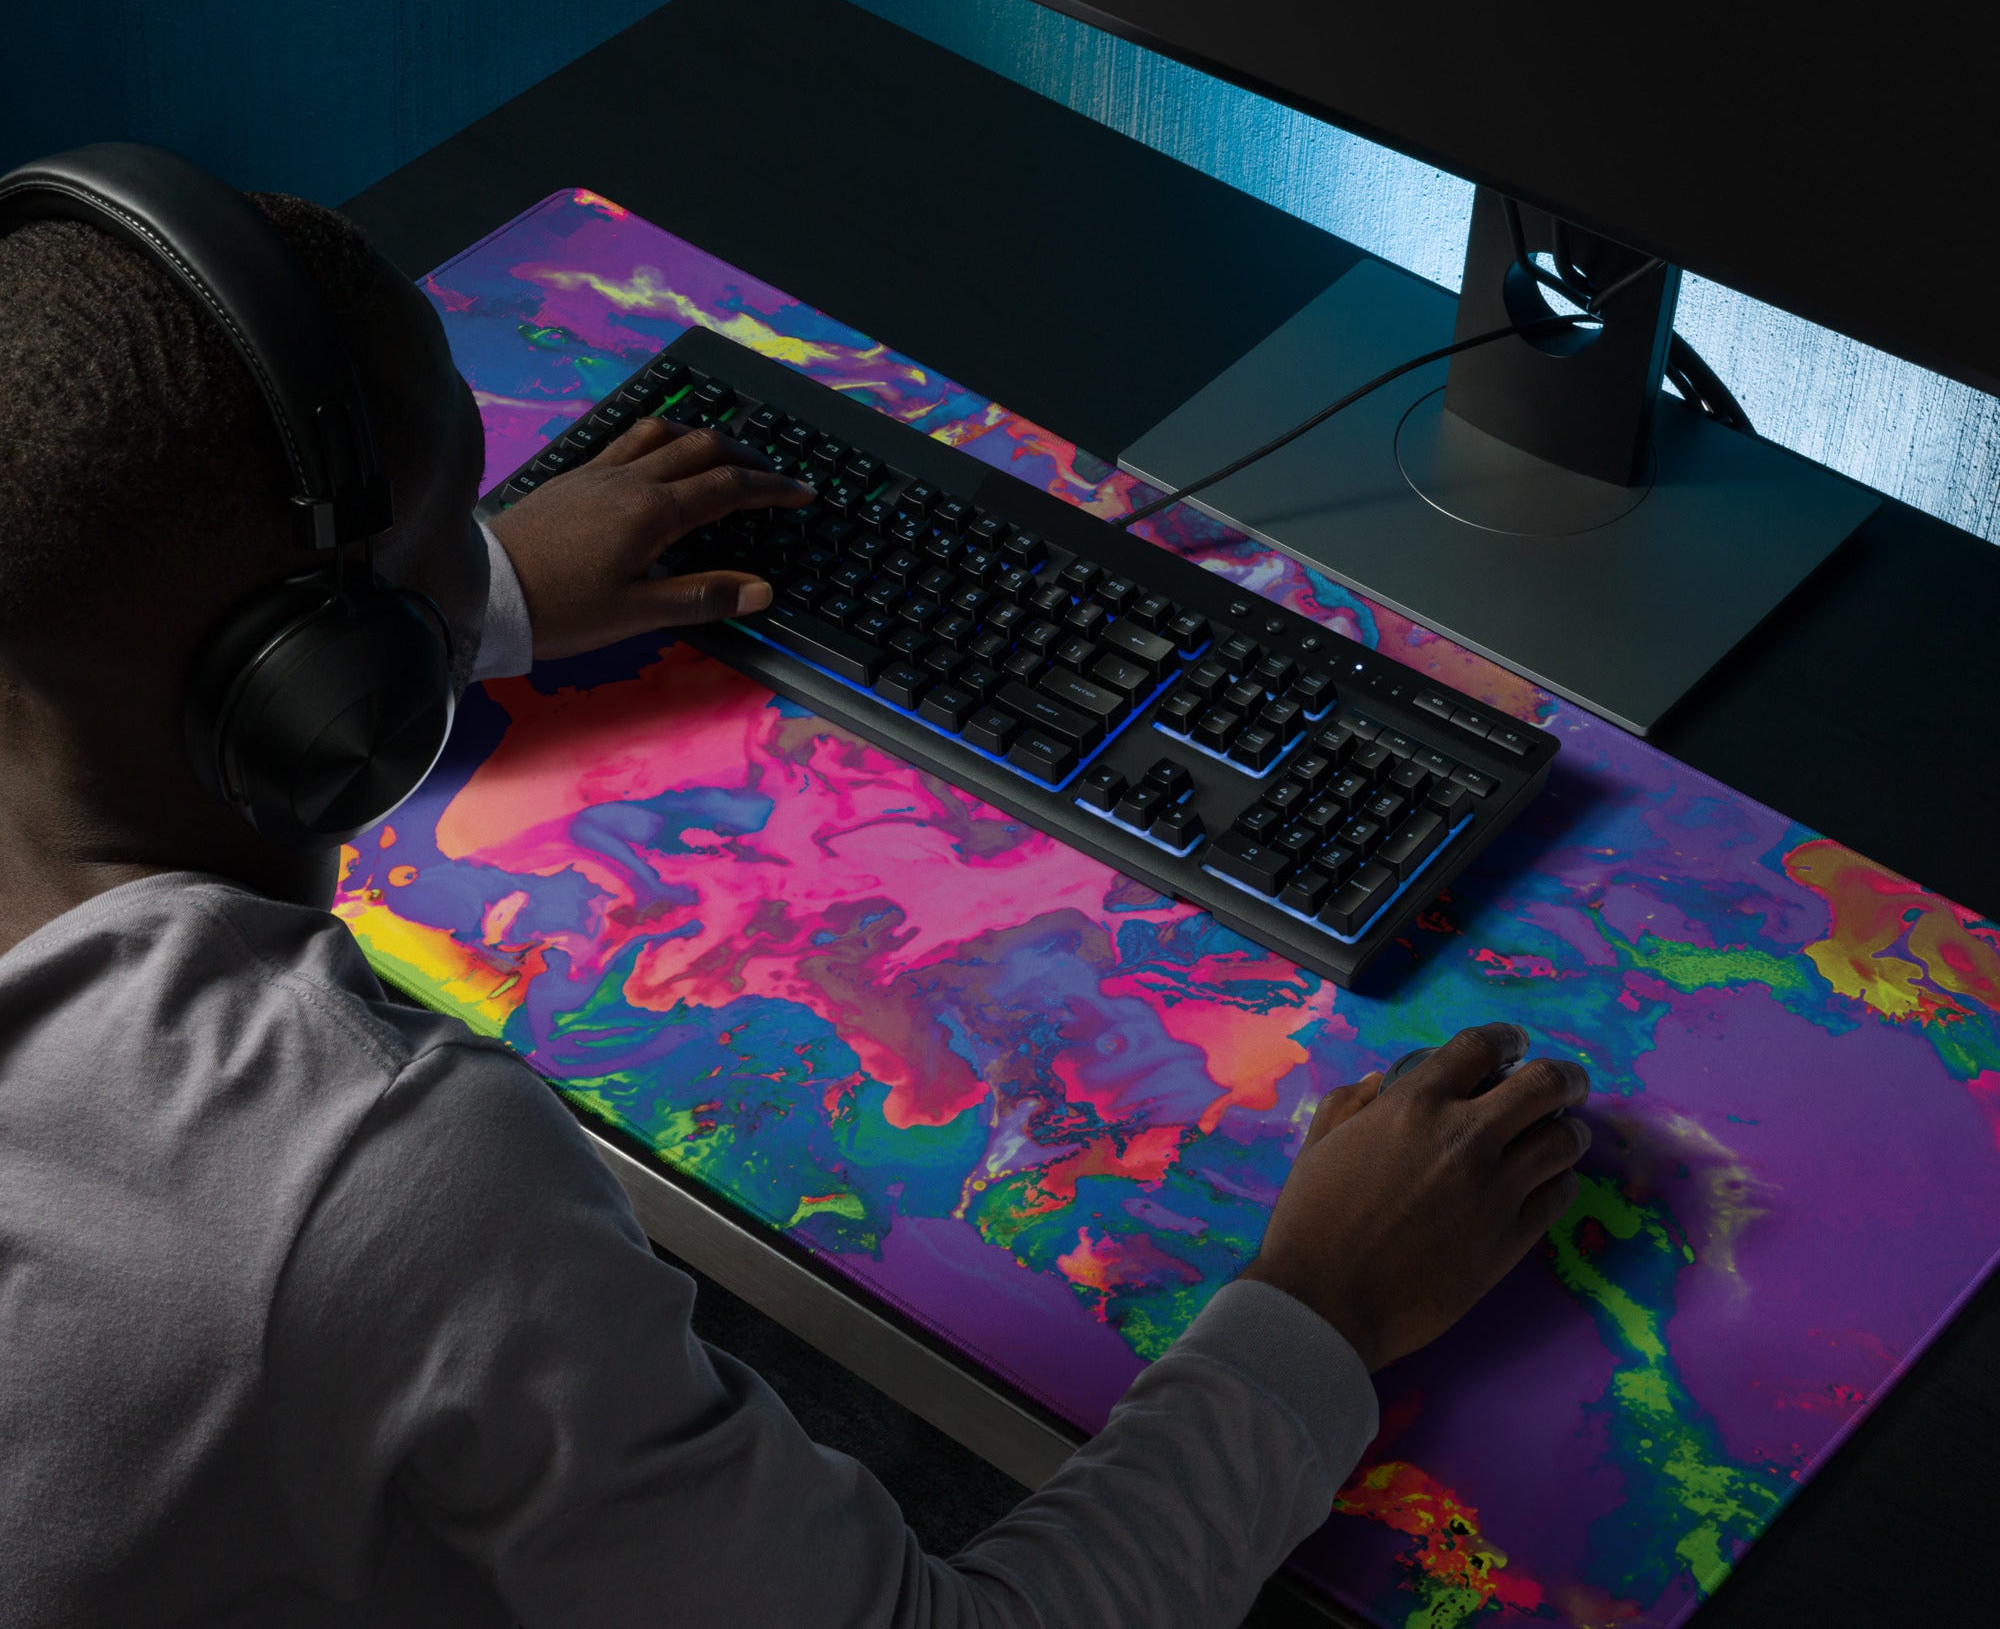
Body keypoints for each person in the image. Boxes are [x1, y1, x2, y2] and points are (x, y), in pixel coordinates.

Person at [0, 188, 1592, 1628]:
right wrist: (1319, 1309)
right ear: (331, 685)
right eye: (446, 534)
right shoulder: (372, 1175)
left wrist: (472, 591)